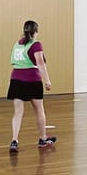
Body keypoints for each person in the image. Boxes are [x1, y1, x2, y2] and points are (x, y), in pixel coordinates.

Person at [7, 20, 56, 153]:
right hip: (32, 79)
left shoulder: (17, 43)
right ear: (36, 31)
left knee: (18, 113)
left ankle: (14, 140)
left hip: (16, 79)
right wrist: (47, 81)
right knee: (39, 110)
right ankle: (43, 138)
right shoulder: (36, 44)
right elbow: (40, 63)